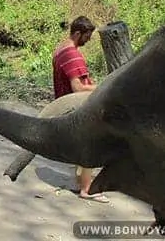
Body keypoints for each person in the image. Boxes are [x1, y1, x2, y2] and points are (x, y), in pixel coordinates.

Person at [52, 15, 109, 204]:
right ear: (77, 33)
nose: (89, 39)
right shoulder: (72, 55)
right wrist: (103, 86)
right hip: (77, 105)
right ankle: (87, 189)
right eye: (87, 35)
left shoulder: (61, 49)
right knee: (91, 145)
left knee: (81, 145)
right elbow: (78, 87)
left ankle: (80, 182)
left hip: (66, 104)